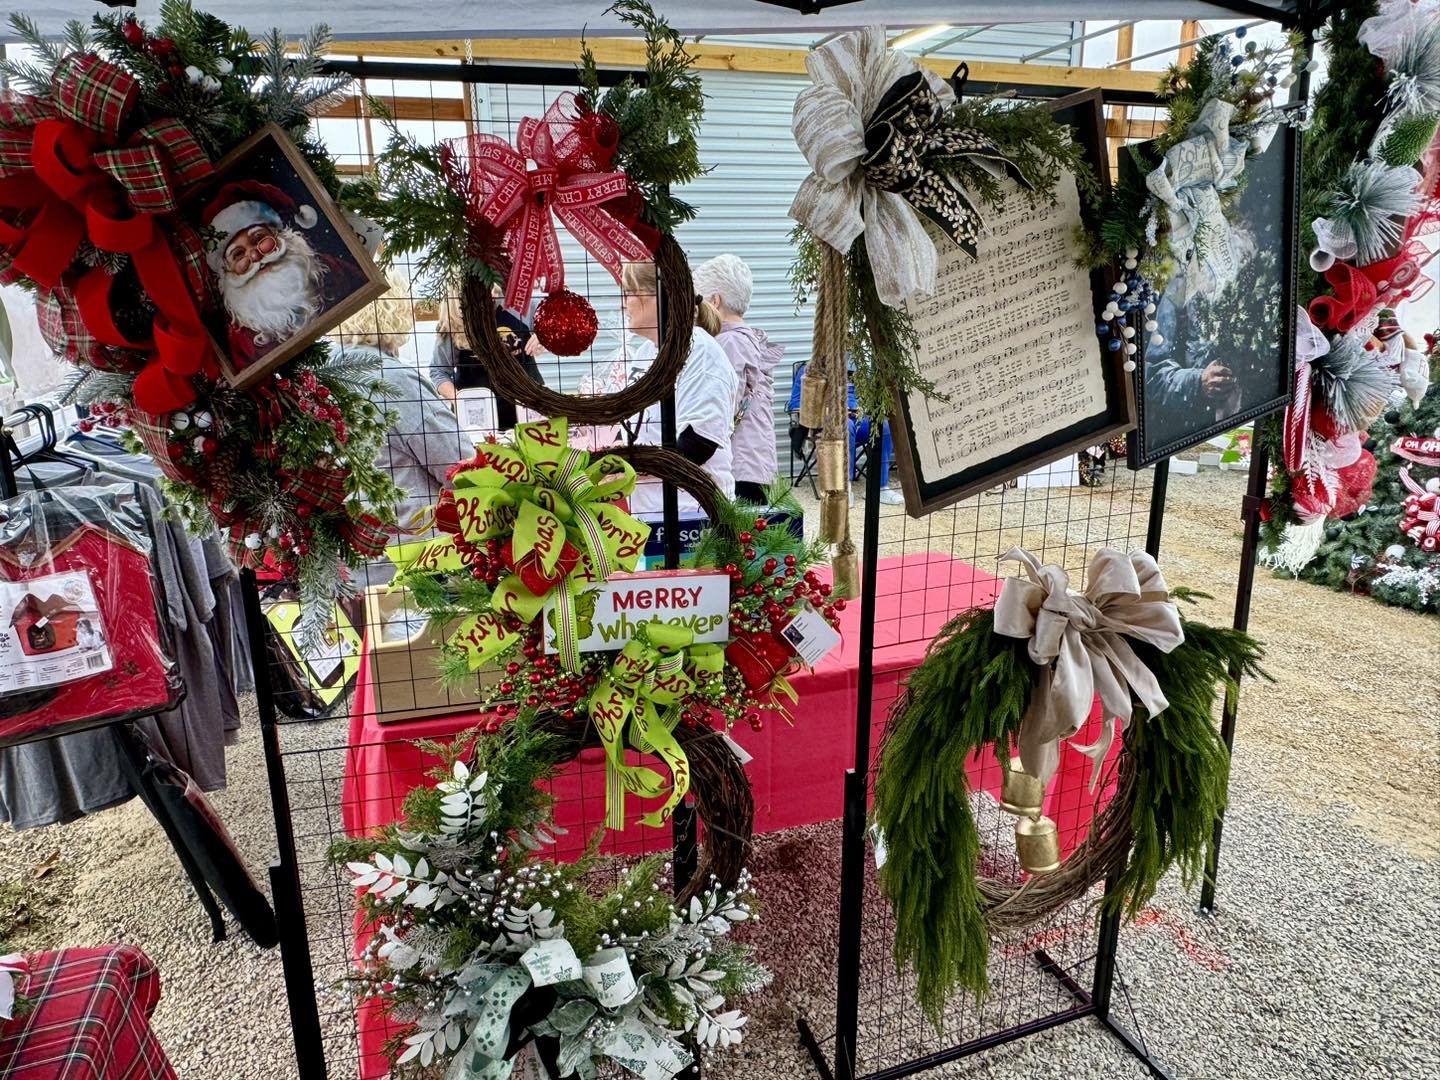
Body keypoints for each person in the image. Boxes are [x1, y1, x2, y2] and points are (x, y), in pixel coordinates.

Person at [332, 279, 476, 583]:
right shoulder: (394, 380)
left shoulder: (326, 376)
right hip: (420, 561)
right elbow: (462, 469)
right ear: (396, 309)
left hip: (353, 567)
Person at [202, 181, 368, 369]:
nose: (256, 256)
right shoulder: (241, 338)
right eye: (238, 255)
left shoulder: (333, 270)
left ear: (278, 235)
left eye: (259, 239)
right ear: (227, 270)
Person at [621, 261, 737, 514]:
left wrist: (629, 466)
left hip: (691, 516)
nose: (624, 304)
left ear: (657, 297)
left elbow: (698, 443)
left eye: (629, 293)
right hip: (651, 513)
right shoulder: (645, 351)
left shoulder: (700, 352)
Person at [693, 255, 783, 505]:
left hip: (742, 464)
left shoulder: (729, 342)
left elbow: (725, 404)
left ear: (715, 301)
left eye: (698, 300)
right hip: (752, 460)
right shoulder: (746, 338)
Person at [430, 290, 547, 407]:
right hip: (478, 412)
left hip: (527, 404)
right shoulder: (453, 320)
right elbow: (439, 371)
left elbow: (558, 320)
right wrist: (460, 402)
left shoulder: (516, 301)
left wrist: (545, 335)